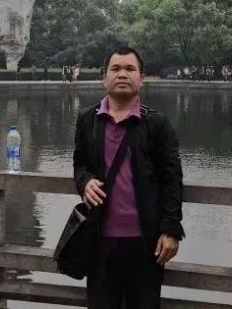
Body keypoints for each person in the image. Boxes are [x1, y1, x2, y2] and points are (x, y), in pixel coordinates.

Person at [73, 47, 184, 309]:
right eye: (115, 68)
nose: (122, 74)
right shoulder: (87, 120)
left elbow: (172, 179)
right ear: (104, 77)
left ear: (141, 79)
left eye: (130, 69)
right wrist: (85, 181)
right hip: (99, 240)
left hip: (146, 244)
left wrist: (171, 230)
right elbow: (79, 163)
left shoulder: (157, 124)